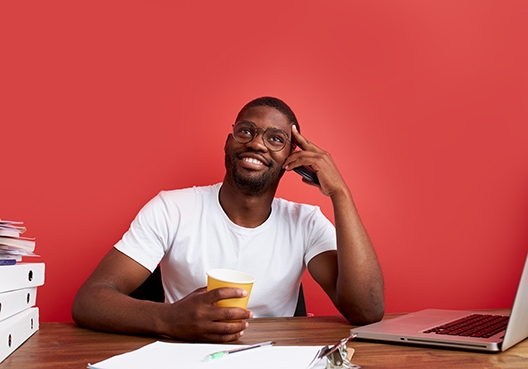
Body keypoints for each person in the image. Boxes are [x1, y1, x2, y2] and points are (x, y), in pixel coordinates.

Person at [72, 96, 384, 342]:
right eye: (246, 131)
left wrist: (339, 192)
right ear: (228, 142)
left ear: (292, 157)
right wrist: (168, 320)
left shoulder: (306, 223)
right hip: (187, 356)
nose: (257, 143)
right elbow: (89, 300)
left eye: (276, 139)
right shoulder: (172, 208)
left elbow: (366, 310)